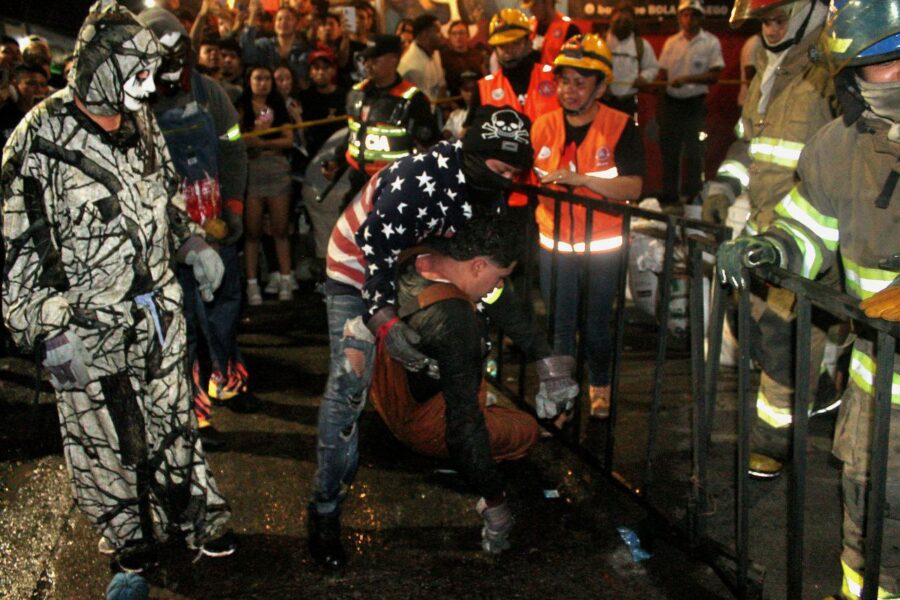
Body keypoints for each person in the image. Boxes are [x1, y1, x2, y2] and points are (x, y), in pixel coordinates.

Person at [0, 0, 233, 573]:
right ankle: (124, 530)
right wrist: (41, 323)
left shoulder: (141, 121)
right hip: (79, 323)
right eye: (138, 74)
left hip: (156, 311)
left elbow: (163, 195)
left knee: (173, 416)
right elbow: (18, 244)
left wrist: (191, 243)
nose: (149, 88)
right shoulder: (38, 138)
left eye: (151, 74)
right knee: (98, 431)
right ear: (100, 66)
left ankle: (192, 514)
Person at [309, 105, 577, 568]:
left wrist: (543, 356)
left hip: (415, 263)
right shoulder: (416, 180)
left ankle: (441, 426)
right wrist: (387, 324)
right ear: (475, 156)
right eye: (501, 168)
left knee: (454, 331)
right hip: (356, 273)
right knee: (346, 388)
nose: (508, 179)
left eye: (517, 170)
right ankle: (325, 510)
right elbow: (376, 259)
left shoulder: (484, 188)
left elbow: (488, 274)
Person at [716, 1, 899, 596]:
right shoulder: (837, 148)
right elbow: (811, 230)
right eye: (881, 66)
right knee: (874, 533)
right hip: (883, 393)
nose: (898, 75)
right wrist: (773, 249)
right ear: (849, 77)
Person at [704, 0, 837, 479]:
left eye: (780, 16)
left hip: (815, 234)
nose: (771, 27)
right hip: (765, 229)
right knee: (751, 324)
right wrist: (724, 187)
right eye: (764, 19)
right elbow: (748, 141)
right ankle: (820, 389)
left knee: (783, 335)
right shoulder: (769, 68)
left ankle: (772, 440)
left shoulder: (832, 68)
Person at [368, 216, 543, 554]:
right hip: (420, 423)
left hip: (386, 397)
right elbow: (462, 428)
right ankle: (457, 465)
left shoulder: (415, 256)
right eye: (499, 278)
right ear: (478, 265)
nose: (496, 289)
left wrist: (544, 356)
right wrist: (495, 501)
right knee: (525, 429)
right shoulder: (456, 320)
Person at [138, 7, 256, 450]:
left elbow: (233, 153)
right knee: (182, 321)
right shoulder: (138, 102)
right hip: (171, 235)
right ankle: (193, 409)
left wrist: (234, 209)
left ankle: (228, 375)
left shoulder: (211, 95)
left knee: (224, 310)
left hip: (216, 224)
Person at [531, 33, 644, 418]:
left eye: (581, 82)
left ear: (600, 85)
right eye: (565, 81)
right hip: (555, 245)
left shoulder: (620, 125)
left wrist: (585, 181)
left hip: (603, 247)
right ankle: (561, 398)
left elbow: (634, 186)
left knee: (596, 326)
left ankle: (599, 384)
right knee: (559, 328)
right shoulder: (542, 127)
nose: (570, 90)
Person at [469, 8, 559, 208]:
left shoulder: (556, 80)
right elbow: (472, 145)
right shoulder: (484, 88)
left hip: (552, 191)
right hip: (505, 195)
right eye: (502, 46)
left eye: (515, 43)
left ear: (529, 41)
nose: (509, 51)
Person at [342, 34, 439, 198]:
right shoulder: (357, 93)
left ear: (394, 59)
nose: (368, 65)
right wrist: (336, 162)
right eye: (366, 59)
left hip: (395, 186)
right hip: (358, 182)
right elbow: (352, 133)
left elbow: (431, 143)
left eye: (375, 59)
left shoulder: (413, 100)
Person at [656, 0, 724, 207]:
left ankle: (694, 197)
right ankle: (670, 197)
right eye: (685, 15)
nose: (688, 19)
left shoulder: (710, 42)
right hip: (671, 104)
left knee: (695, 152)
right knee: (670, 152)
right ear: (680, 17)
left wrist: (687, 79)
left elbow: (714, 75)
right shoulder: (671, 42)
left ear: (700, 17)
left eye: (693, 15)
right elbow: (663, 74)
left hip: (694, 105)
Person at [239, 65, 295, 305]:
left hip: (277, 172)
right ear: (249, 81)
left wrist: (260, 142)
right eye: (258, 78)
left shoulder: (279, 107)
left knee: (280, 229)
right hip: (252, 174)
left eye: (267, 78)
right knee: (252, 232)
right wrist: (258, 139)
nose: (263, 83)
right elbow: (236, 138)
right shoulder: (241, 108)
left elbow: (289, 139)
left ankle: (285, 279)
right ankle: (252, 285)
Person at [604, 1, 659, 119]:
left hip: (628, 103)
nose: (622, 24)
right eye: (618, 21)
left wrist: (643, 77)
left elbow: (653, 67)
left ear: (633, 23)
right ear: (610, 20)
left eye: (626, 21)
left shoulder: (641, 45)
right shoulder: (600, 43)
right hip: (603, 103)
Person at [242, 2, 310, 85]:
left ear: (296, 24)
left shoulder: (303, 50)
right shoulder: (265, 45)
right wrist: (252, 16)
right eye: (279, 19)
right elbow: (248, 55)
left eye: (288, 19)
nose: (283, 22)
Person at [298, 49, 348, 159]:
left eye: (326, 67)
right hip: (313, 154)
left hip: (340, 152)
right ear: (310, 73)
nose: (321, 72)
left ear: (333, 71)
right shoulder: (304, 97)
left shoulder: (345, 96)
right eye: (316, 68)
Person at [397, 14, 447, 104]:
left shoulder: (434, 51)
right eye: (438, 31)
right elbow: (426, 104)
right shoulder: (412, 67)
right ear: (424, 35)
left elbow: (441, 87)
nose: (443, 35)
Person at [0, 65, 49, 148]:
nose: (39, 89)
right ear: (14, 87)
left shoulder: (53, 117)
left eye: (43, 85)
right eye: (31, 84)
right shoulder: (3, 116)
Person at [521, 0, 580, 67]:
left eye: (535, 5)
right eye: (529, 6)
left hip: (554, 76)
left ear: (548, 2)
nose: (531, 10)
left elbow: (573, 66)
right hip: (534, 76)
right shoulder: (530, 25)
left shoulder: (570, 29)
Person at [440, 20, 487, 97]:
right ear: (449, 37)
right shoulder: (444, 58)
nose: (458, 37)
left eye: (461, 33)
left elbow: (484, 78)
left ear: (468, 35)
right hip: (455, 101)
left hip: (479, 98)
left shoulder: (477, 55)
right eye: (454, 34)